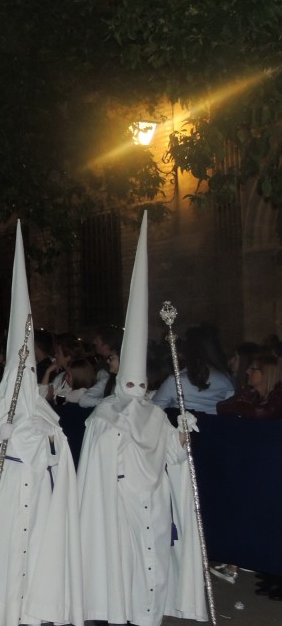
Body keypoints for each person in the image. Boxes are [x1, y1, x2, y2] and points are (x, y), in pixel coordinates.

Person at [0, 222, 83, 626]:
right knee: (1, 562)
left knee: (35, 559)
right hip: (3, 500)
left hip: (38, 501)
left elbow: (63, 467)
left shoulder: (47, 418)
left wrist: (52, 442)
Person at [77, 213, 206, 626]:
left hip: (155, 502)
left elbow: (175, 460)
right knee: (128, 566)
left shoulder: (156, 415)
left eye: (139, 382)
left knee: (155, 567)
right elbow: (93, 478)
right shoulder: (103, 416)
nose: (133, 390)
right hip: (119, 505)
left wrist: (184, 439)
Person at [216, 352, 282, 419]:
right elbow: (221, 407)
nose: (247, 371)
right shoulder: (250, 392)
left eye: (252, 369)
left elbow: (264, 413)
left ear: (266, 373)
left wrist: (239, 406)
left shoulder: (279, 396)